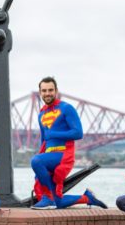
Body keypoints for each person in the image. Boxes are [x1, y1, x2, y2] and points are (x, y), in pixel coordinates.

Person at [30, 76, 107, 210]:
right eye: (44, 91)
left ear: (56, 90)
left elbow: (78, 133)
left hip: (63, 155)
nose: (47, 93)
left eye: (50, 90)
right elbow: (44, 141)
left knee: (36, 161)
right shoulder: (41, 114)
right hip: (48, 158)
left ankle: (48, 198)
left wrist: (53, 135)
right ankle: (87, 198)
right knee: (58, 202)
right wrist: (41, 164)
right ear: (40, 92)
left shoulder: (67, 108)